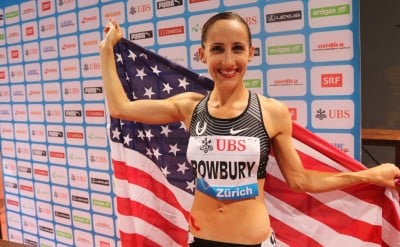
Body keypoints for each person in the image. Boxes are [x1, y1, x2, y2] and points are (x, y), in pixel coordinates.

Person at [100, 12, 400, 247]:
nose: (228, 61)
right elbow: (121, 108)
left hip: (253, 242)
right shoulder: (189, 106)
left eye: (237, 49)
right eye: (217, 49)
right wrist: (106, 49)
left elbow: (299, 180)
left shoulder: (271, 112)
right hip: (201, 239)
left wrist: (369, 175)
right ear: (202, 54)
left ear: (251, 53)